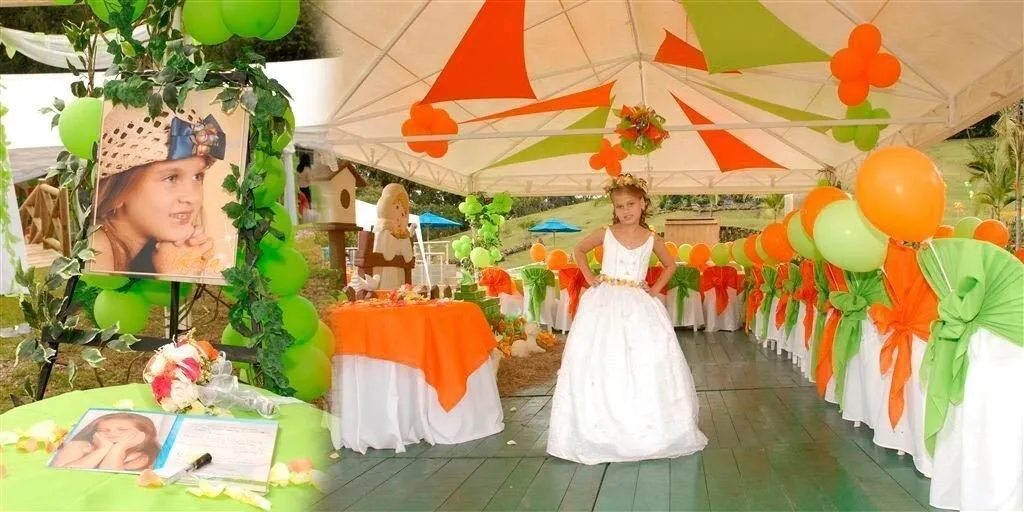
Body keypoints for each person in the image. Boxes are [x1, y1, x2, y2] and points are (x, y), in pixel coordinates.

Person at [546, 173, 707, 465]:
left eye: (631, 204)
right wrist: (589, 276)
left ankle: (646, 429)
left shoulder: (652, 238)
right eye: (620, 206)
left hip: (638, 303)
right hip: (604, 302)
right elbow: (579, 249)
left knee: (646, 360)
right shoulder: (606, 232)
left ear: (643, 203)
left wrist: (654, 290)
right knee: (602, 359)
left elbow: (670, 265)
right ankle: (600, 429)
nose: (626, 211)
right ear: (614, 208)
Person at [90, 106, 226, 275]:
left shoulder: (158, 245)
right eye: (171, 178)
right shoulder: (96, 249)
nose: (192, 197)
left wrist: (190, 270)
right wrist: (174, 276)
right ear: (118, 192)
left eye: (197, 176)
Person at [53, 412, 163, 471]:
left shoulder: (148, 456)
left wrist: (118, 448)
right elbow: (62, 474)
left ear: (143, 434)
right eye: (103, 430)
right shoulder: (78, 446)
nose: (111, 433)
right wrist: (102, 449)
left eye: (122, 429)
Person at [371, 183, 414, 290]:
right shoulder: (382, 230)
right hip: (384, 275)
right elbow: (388, 255)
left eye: (404, 211)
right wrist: (396, 237)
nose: (401, 214)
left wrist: (403, 236)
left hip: (399, 275)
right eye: (397, 207)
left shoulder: (402, 233)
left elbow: (408, 257)